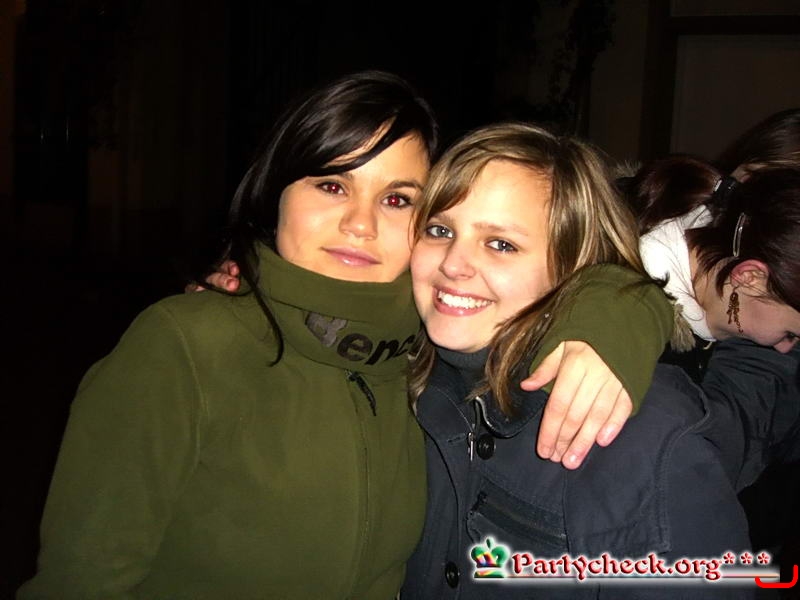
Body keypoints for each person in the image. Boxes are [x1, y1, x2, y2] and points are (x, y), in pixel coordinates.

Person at [17, 71, 672, 600]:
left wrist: (616, 312)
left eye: (397, 199)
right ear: (277, 192)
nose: (360, 223)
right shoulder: (186, 345)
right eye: (332, 184)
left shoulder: (427, 351)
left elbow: (604, 272)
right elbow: (80, 582)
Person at [400, 122, 797, 599]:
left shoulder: (643, 432)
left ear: (570, 266)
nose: (452, 263)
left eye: (501, 244)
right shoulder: (414, 362)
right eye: (440, 230)